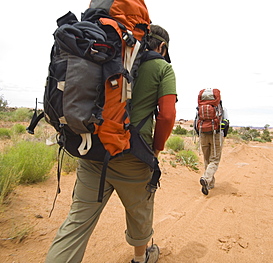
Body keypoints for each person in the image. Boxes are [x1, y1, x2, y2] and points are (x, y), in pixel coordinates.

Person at [45, 25, 177, 263]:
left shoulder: (109, 56)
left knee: (77, 222)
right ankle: (141, 258)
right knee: (139, 212)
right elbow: (167, 115)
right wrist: (156, 149)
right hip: (135, 157)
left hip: (94, 151)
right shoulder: (162, 67)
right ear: (163, 47)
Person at [197, 96, 229, 196]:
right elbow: (226, 123)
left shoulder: (200, 107)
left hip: (203, 134)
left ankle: (210, 184)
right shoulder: (222, 109)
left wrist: (200, 135)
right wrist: (223, 135)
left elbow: (195, 122)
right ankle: (206, 179)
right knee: (214, 160)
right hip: (216, 135)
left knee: (207, 159)